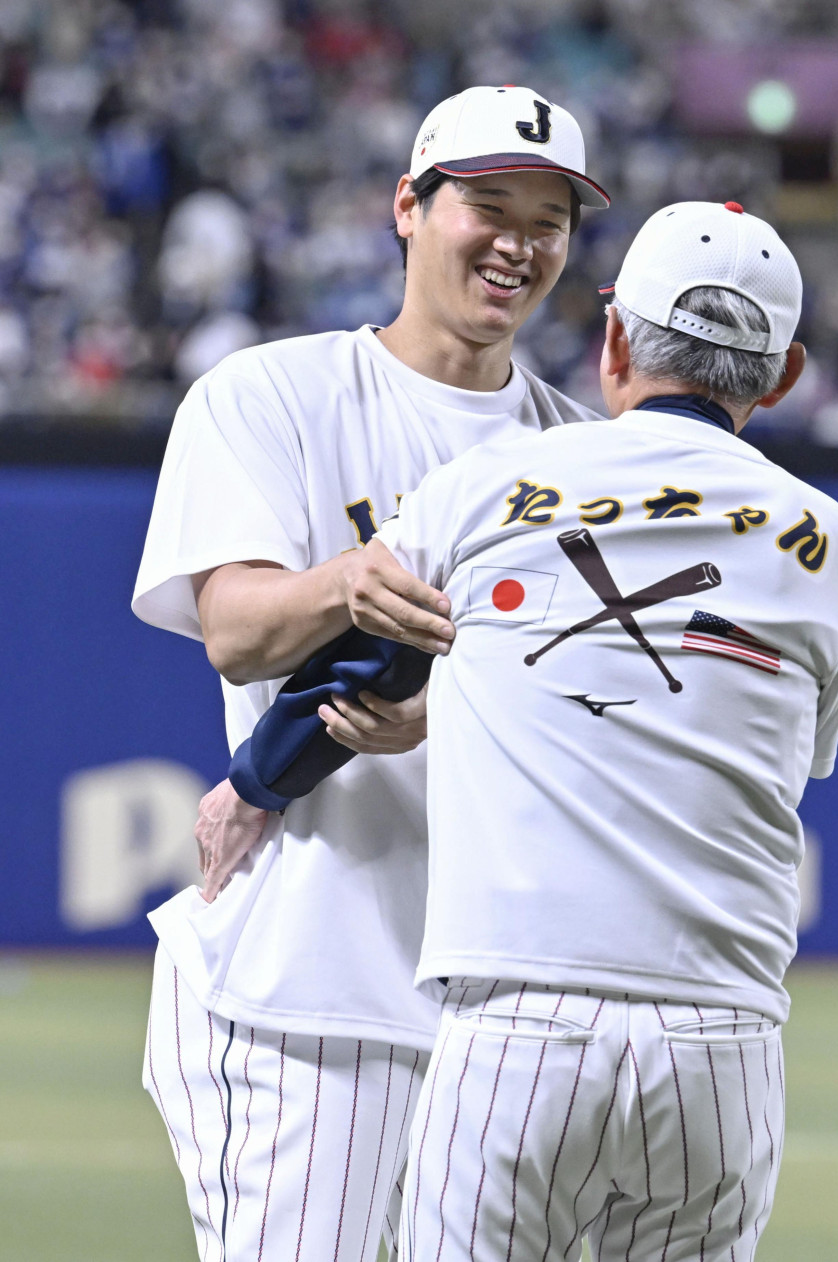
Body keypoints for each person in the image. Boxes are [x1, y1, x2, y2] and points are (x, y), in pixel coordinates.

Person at [341, 201, 838, 1260]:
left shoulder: (481, 485)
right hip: (721, 1040)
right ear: (784, 374)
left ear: (615, 337)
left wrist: (257, 783)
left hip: (516, 1018)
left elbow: (348, 672)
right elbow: (788, 751)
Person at [130, 85, 609, 1262]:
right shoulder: (271, 394)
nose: (518, 241)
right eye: (487, 203)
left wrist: (444, 708)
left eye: (548, 218)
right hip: (311, 979)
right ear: (409, 204)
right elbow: (234, 625)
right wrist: (347, 583)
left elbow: (593, 710)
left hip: (505, 1008)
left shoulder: (581, 459)